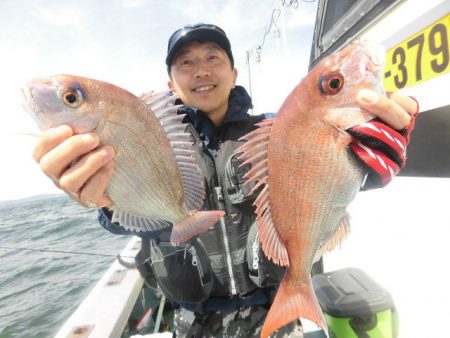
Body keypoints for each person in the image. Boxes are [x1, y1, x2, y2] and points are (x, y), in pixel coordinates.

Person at [33, 23, 418, 337]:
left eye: (213, 58)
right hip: (190, 323)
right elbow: (131, 214)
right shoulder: (153, 140)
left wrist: (371, 164)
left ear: (233, 73)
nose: (201, 70)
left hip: (275, 312)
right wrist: (99, 198)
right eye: (185, 62)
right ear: (171, 84)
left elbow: (317, 182)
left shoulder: (278, 131)